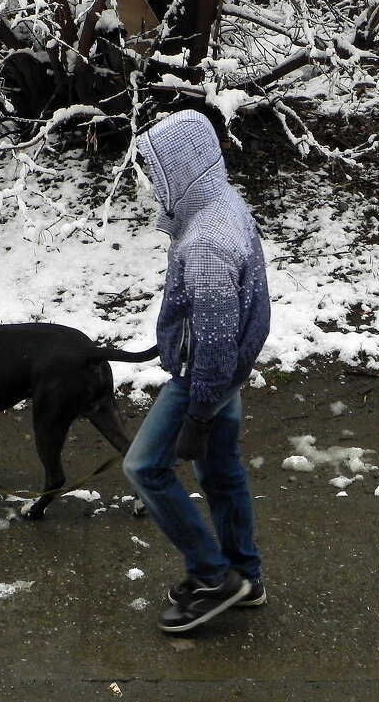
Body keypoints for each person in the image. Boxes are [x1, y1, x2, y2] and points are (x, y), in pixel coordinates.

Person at [123, 108, 271, 634]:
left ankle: (213, 577)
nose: (149, 180)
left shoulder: (206, 242)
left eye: (155, 168)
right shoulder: (223, 204)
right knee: (220, 472)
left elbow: (211, 343)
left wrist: (200, 413)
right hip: (229, 371)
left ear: (182, 168)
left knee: (143, 468)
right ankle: (245, 577)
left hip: (204, 377)